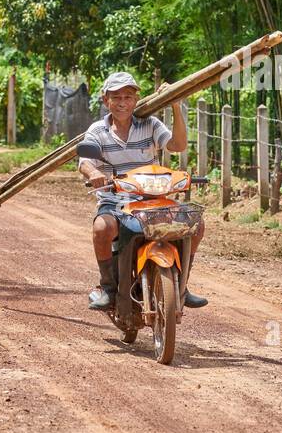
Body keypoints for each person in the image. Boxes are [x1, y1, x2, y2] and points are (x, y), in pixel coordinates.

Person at [76, 71, 208, 311]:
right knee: (102, 228)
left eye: (128, 96)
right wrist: (94, 173)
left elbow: (177, 145)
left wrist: (176, 107)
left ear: (136, 100)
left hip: (153, 199)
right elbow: (85, 160)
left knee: (196, 226)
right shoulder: (98, 130)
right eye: (116, 97)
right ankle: (107, 288)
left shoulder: (150, 125)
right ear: (106, 101)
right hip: (115, 200)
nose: (122, 103)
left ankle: (182, 286)